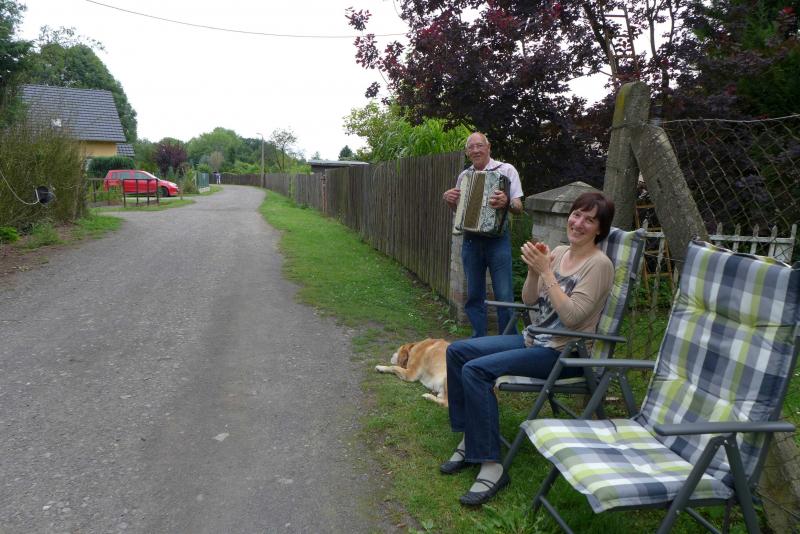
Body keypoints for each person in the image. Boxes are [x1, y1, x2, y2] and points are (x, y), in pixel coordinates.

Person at [440, 191, 616, 506]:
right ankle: (471, 438)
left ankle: (492, 466)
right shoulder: (559, 252)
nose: (578, 223)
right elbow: (529, 300)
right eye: (576, 214)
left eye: (589, 220)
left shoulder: (599, 265)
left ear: (600, 229)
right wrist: (535, 271)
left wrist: (546, 272)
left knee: (476, 371)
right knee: (458, 352)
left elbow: (573, 318)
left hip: (565, 353)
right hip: (535, 338)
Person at [443, 132, 524, 337]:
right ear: (467, 152)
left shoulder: (506, 170)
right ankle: (478, 338)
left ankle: (509, 339)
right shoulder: (464, 176)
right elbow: (460, 212)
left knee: (504, 293)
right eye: (471, 147)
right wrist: (451, 201)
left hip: (498, 240)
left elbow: (518, 206)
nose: (476, 150)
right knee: (474, 294)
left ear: (488, 147)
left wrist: (507, 202)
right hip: (471, 240)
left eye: (479, 145)